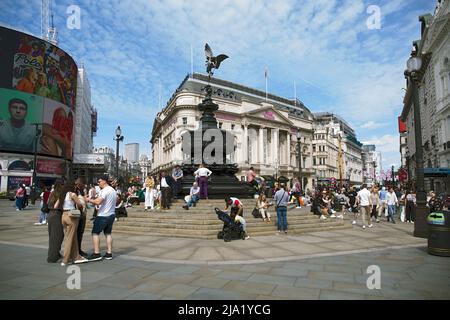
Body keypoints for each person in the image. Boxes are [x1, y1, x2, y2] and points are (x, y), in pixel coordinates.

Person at [85, 175, 117, 261]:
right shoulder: (113, 190)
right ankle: (109, 253)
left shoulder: (105, 190)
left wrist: (88, 200)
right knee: (108, 234)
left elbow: (98, 201)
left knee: (95, 233)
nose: (98, 183)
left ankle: (97, 253)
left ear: (104, 181)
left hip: (103, 215)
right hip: (111, 214)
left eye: (99, 182)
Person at [61, 181, 88, 266]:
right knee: (70, 239)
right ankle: (65, 259)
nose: (75, 187)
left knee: (73, 237)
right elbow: (79, 205)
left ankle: (76, 256)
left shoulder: (63, 194)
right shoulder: (72, 194)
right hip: (71, 216)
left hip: (63, 216)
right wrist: (80, 200)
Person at [46, 180, 65, 263]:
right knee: (57, 236)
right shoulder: (61, 193)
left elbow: (47, 203)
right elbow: (58, 205)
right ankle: (52, 257)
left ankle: (55, 254)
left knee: (53, 236)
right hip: (57, 214)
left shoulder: (53, 192)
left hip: (50, 214)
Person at [75, 178, 88, 257]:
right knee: (77, 233)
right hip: (77, 214)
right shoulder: (74, 190)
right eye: (83, 184)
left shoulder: (82, 191)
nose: (84, 186)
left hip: (83, 213)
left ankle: (79, 250)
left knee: (80, 233)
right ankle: (76, 251)